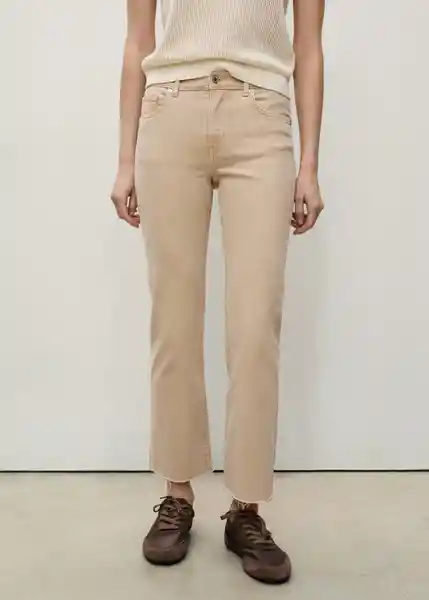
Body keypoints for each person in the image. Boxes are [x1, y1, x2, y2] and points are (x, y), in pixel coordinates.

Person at [111, 0, 325, 585]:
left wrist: (309, 165)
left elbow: (309, 48)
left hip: (261, 116)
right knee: (174, 321)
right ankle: (177, 494)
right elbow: (137, 41)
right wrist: (125, 160)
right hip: (170, 112)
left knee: (255, 326)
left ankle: (246, 509)